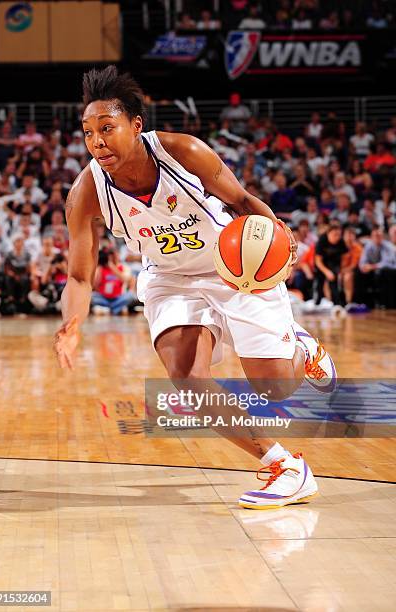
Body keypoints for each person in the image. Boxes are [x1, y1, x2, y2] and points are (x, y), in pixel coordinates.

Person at [53, 66, 337, 510]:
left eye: (107, 129)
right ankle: (284, 466)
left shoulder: (183, 151)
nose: (97, 142)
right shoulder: (86, 191)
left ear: (136, 125)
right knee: (186, 379)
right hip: (169, 276)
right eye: (88, 132)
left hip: (234, 265)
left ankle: (305, 352)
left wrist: (278, 235)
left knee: (275, 388)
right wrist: (71, 324)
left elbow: (242, 201)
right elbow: (78, 275)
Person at [314, 224, 348, 306]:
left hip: (334, 263)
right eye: (334, 235)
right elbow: (318, 261)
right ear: (328, 233)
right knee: (319, 283)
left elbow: (344, 257)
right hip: (322, 264)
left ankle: (337, 304)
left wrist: (341, 270)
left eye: (339, 235)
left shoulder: (341, 241)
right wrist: (326, 272)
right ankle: (317, 303)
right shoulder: (321, 241)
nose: (337, 237)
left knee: (334, 284)